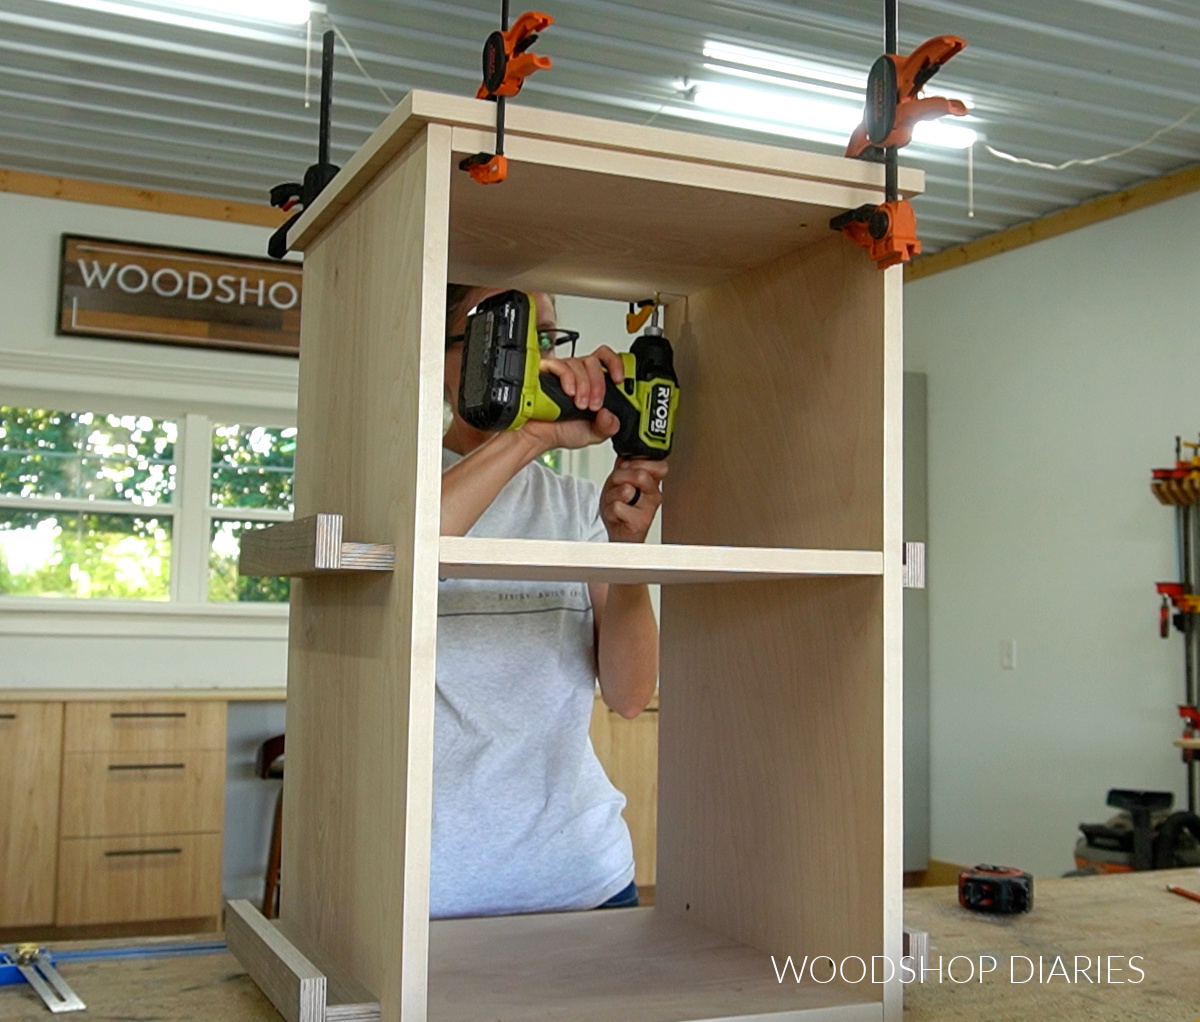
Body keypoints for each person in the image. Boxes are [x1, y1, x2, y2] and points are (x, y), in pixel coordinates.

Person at [431, 283, 665, 919]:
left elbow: (628, 695)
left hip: (585, 880)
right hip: (433, 894)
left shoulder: (568, 505)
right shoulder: (397, 484)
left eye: (547, 336)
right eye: (508, 334)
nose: (536, 357)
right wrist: (529, 436)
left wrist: (626, 550)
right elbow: (414, 552)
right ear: (446, 353)